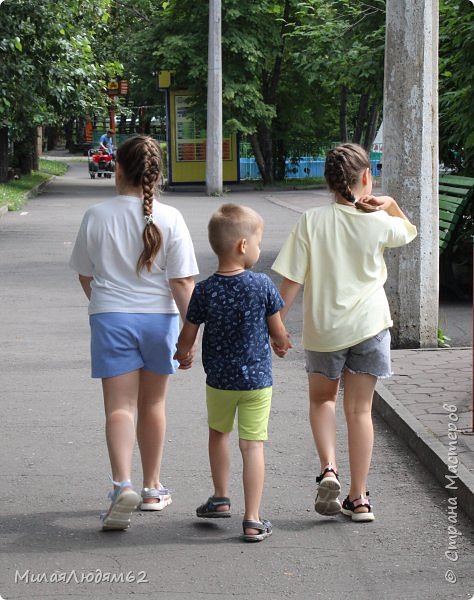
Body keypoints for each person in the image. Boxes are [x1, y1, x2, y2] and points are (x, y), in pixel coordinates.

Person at [272, 143, 417, 522]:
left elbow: (291, 279)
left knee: (323, 402)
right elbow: (409, 232)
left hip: (325, 331)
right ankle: (359, 498)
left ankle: (329, 470)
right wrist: (389, 203)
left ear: (329, 182)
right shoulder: (378, 221)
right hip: (370, 326)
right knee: (360, 410)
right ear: (366, 178)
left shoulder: (312, 220)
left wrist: (277, 326)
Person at [69, 135, 198, 530]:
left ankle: (121, 484)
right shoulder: (171, 217)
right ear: (156, 175)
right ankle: (153, 487)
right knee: (154, 406)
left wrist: (103, 304)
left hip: (111, 319)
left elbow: (85, 274)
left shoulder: (95, 215)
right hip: (159, 321)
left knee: (119, 408)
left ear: (118, 169)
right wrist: (189, 336)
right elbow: (182, 283)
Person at [174, 204, 291, 542]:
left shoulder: (205, 290)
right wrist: (281, 345)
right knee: (252, 446)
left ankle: (220, 496)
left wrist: (182, 355)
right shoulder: (262, 286)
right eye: (258, 242)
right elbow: (278, 331)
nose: (258, 248)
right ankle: (253, 519)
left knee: (218, 434)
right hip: (256, 382)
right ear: (243, 245)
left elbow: (188, 335)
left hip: (220, 383)